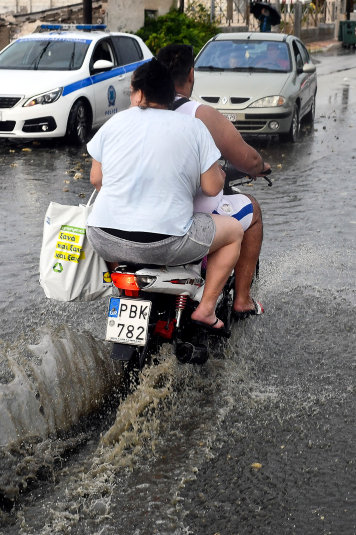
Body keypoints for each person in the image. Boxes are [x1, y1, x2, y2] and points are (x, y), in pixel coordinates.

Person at [85, 58, 242, 334]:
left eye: (131, 91)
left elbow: (97, 179)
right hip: (166, 242)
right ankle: (206, 309)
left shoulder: (114, 122)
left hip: (103, 237)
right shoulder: (193, 127)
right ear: (170, 94)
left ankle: (126, 297)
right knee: (234, 232)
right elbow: (211, 188)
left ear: (139, 94)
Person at [157, 43, 269, 318]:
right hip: (189, 219)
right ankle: (242, 299)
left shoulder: (140, 112)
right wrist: (260, 167)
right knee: (252, 210)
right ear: (191, 74)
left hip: (144, 216)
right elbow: (245, 160)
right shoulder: (199, 114)